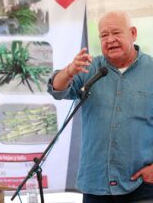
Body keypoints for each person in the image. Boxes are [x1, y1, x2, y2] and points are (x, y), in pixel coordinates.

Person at [48, 10, 153, 203]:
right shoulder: (89, 68)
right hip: (96, 184)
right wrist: (70, 70)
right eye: (104, 35)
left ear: (133, 33)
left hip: (142, 186)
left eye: (116, 33)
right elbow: (57, 90)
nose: (110, 39)